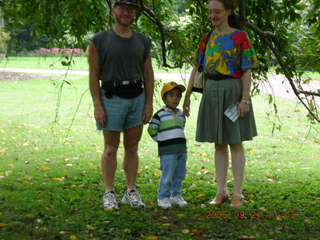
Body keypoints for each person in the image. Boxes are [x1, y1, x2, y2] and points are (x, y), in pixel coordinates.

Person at [183, 0, 258, 208]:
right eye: (210, 12)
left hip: (233, 92)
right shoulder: (206, 38)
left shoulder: (240, 37)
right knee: (219, 143)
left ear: (229, 11)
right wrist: (187, 96)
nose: (213, 16)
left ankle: (237, 194)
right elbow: (197, 68)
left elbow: (247, 70)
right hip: (212, 91)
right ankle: (220, 192)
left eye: (217, 11)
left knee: (235, 141)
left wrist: (244, 99)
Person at [87, 0, 154, 210]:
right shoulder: (99, 40)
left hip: (137, 98)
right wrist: (98, 105)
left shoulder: (143, 41)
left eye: (131, 9)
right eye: (122, 8)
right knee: (110, 148)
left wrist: (148, 103)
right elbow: (93, 75)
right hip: (111, 99)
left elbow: (148, 74)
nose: (126, 13)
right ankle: (109, 193)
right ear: (113, 10)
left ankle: (131, 191)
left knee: (132, 147)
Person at [148, 82, 188, 209]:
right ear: (164, 98)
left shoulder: (181, 114)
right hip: (167, 151)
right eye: (171, 96)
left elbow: (180, 127)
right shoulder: (159, 115)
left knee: (179, 173)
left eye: (178, 96)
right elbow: (152, 129)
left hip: (181, 150)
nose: (175, 99)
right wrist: (161, 140)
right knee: (168, 174)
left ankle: (175, 195)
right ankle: (163, 197)